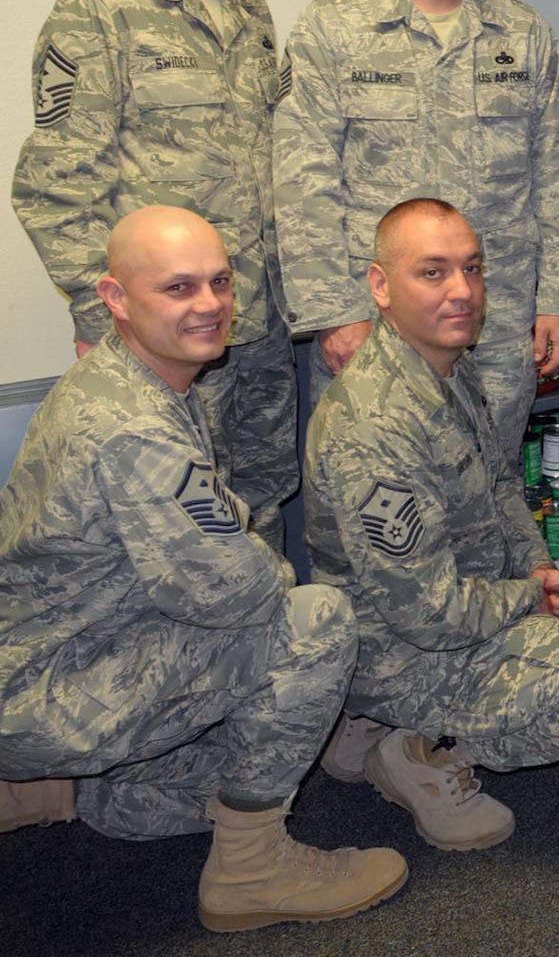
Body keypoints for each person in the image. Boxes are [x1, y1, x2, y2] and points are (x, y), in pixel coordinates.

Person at [0, 207, 405, 931]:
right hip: (50, 689)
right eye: (179, 288)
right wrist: (271, 572)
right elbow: (236, 590)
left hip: (48, 661)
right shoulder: (136, 425)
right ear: (116, 298)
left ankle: (57, 788)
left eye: (219, 282)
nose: (211, 304)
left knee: (211, 760)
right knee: (313, 622)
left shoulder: (118, 376)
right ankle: (251, 868)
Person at [303, 198, 559, 851]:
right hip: (408, 648)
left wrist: (537, 566)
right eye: (434, 272)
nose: (463, 291)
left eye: (472, 269)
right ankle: (421, 749)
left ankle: (371, 723)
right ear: (380, 286)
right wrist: (530, 597)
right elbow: (432, 615)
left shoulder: (443, 362)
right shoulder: (375, 424)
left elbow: (499, 481)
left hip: (465, 608)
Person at [12, 0, 297, 553]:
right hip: (162, 334)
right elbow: (56, 184)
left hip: (253, 325)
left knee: (257, 507)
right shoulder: (97, 9)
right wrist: (100, 312)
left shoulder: (250, 6)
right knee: (180, 529)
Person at [274, 0, 559, 456]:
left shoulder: (523, 32)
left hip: (499, 325)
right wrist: (335, 313)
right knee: (375, 505)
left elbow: (556, 173)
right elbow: (301, 182)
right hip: (378, 326)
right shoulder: (333, 27)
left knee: (491, 494)